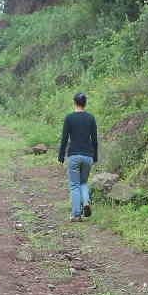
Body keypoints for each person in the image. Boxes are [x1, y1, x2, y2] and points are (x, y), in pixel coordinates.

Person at [57, 92, 98, 222]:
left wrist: (61, 156)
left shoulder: (69, 118)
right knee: (83, 182)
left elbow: (64, 138)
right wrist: (95, 156)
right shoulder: (91, 118)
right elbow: (95, 140)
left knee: (75, 185)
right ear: (85, 103)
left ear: (74, 102)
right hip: (88, 156)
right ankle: (85, 202)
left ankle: (76, 214)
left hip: (74, 155)